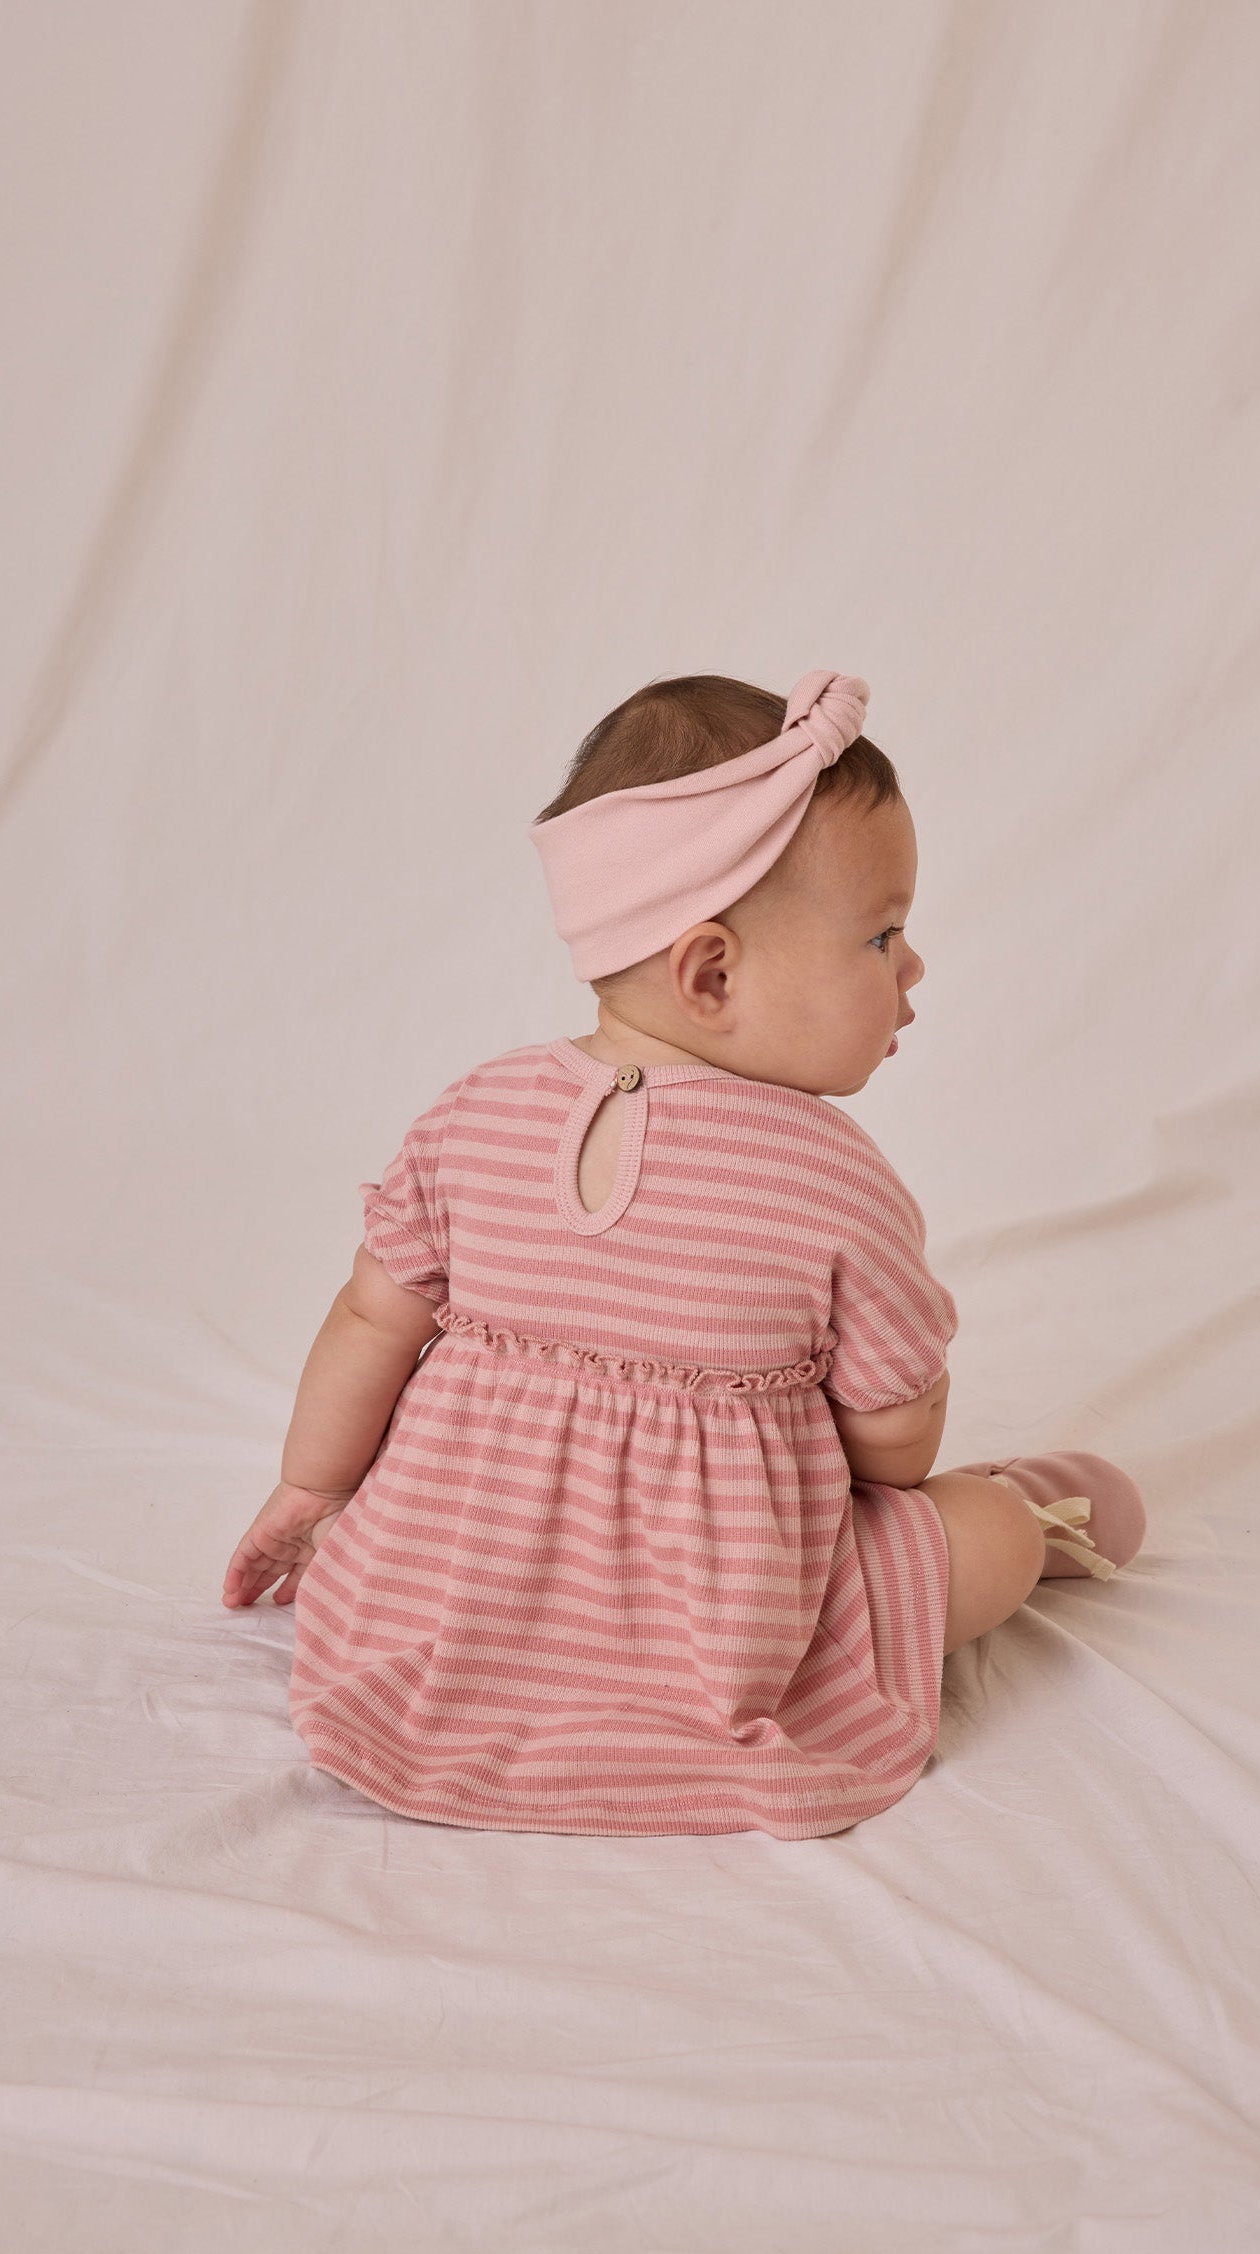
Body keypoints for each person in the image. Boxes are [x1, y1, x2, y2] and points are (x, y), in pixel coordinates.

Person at [221, 671, 1147, 1839]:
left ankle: (423, 1613)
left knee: (395, 1548)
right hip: (719, 1635)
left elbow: (368, 1323)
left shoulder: (475, 1113)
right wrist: (901, 1444)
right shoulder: (834, 1181)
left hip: (455, 1618)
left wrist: (312, 1494)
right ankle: (1032, 1514)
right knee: (978, 1539)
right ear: (711, 972)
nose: (913, 969)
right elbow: (895, 1449)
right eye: (883, 933)